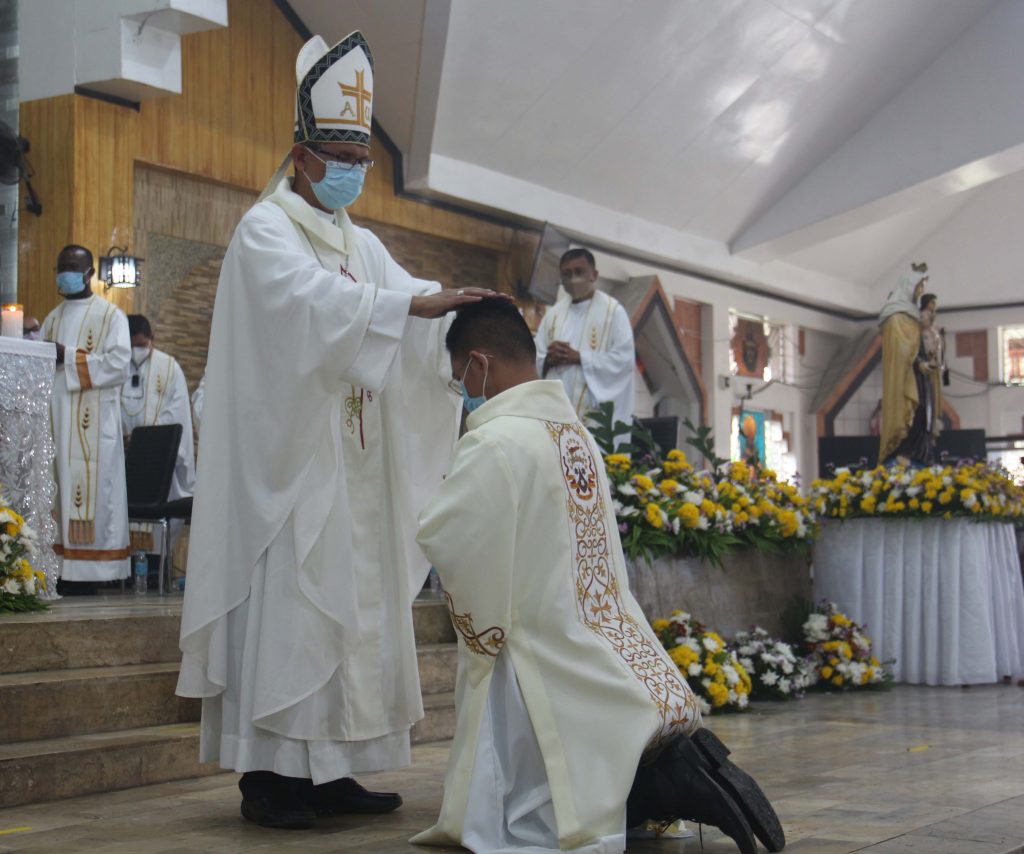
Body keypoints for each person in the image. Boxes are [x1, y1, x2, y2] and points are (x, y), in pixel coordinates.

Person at [175, 31, 502, 830]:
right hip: (292, 472)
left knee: (354, 616)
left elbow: (406, 297)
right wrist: (403, 309)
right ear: (301, 154)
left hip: (354, 465)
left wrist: (448, 309)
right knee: (297, 611)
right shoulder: (266, 231)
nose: (353, 164)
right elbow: (301, 308)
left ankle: (334, 769)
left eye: (361, 149)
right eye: (340, 150)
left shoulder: (360, 241)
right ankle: (273, 778)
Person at [413, 300, 784, 854]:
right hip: (598, 622)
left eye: (459, 374)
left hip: (537, 638)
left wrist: (434, 526)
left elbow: (451, 534)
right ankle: (660, 781)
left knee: (534, 796)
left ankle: (654, 787)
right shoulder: (575, 437)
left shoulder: (495, 440)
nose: (462, 389)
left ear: (479, 364)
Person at [41, 244, 131, 587]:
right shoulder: (52, 319)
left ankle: (95, 574)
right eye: (60, 267)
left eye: (71, 266)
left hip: (92, 433)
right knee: (57, 490)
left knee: (95, 494)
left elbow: (119, 365)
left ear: (89, 273)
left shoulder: (111, 317)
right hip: (56, 427)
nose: (64, 273)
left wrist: (72, 357)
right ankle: (59, 570)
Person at [534, 248, 635, 435]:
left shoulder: (613, 312)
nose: (573, 279)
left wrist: (580, 358)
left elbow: (624, 361)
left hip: (595, 423)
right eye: (566, 274)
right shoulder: (553, 315)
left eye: (579, 272)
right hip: (556, 417)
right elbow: (534, 359)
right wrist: (548, 359)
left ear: (594, 275)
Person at [121, 314, 196, 505]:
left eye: (141, 345)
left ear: (152, 339)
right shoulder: (117, 365)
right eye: (131, 346)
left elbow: (176, 414)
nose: (136, 351)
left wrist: (141, 442)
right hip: (119, 457)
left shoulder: (170, 368)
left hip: (155, 461)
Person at [878, 262, 929, 464]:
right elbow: (900, 348)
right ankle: (902, 450)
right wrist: (916, 359)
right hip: (904, 375)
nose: (921, 291)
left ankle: (916, 452)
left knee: (923, 411)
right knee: (909, 412)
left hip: (919, 374)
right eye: (919, 287)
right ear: (909, 286)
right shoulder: (895, 316)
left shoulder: (914, 315)